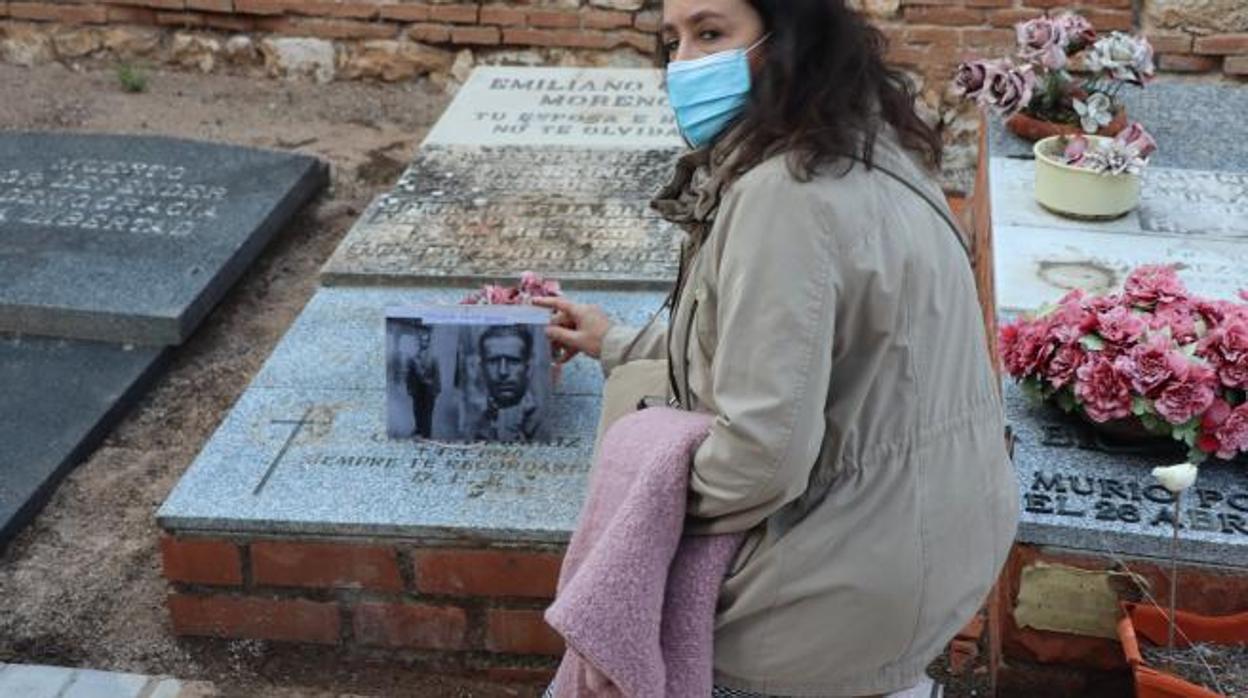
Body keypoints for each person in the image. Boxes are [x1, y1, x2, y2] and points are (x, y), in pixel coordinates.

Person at [535, 0, 1020, 695]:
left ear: (790, 32)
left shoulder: (782, 195)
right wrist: (613, 342)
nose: (686, 65)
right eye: (672, 41)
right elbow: (774, 346)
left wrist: (641, 503)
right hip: (926, 543)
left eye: (711, 33)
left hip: (839, 586)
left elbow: (759, 459)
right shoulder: (870, 146)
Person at [472, 324, 543, 442]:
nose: (503, 372)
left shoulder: (541, 423)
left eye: (513, 362)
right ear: (481, 368)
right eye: (493, 362)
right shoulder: (475, 423)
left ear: (528, 368)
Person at [404, 324, 440, 439]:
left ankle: (427, 434)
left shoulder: (433, 358)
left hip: (429, 391)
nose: (423, 343)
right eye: (421, 340)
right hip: (417, 390)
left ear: (428, 343)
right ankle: (418, 429)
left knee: (427, 414)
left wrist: (437, 389)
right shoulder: (413, 358)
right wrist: (409, 388)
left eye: (426, 341)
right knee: (417, 411)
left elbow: (437, 374)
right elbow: (409, 375)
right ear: (419, 342)